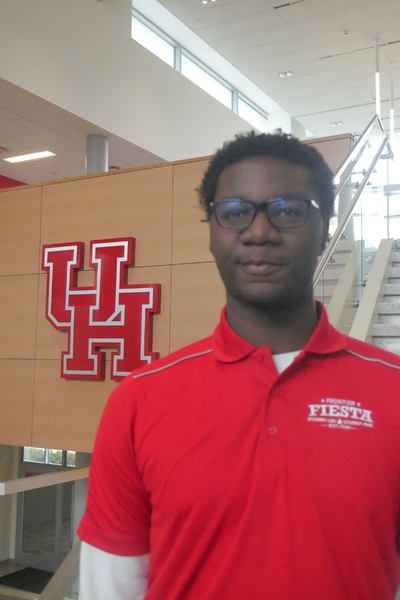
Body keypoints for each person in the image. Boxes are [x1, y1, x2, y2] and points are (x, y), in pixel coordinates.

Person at [78, 131, 400, 600]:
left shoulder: (392, 390)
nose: (259, 232)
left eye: (288, 210)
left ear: (327, 228)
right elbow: (110, 586)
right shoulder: (139, 400)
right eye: (233, 212)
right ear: (212, 232)